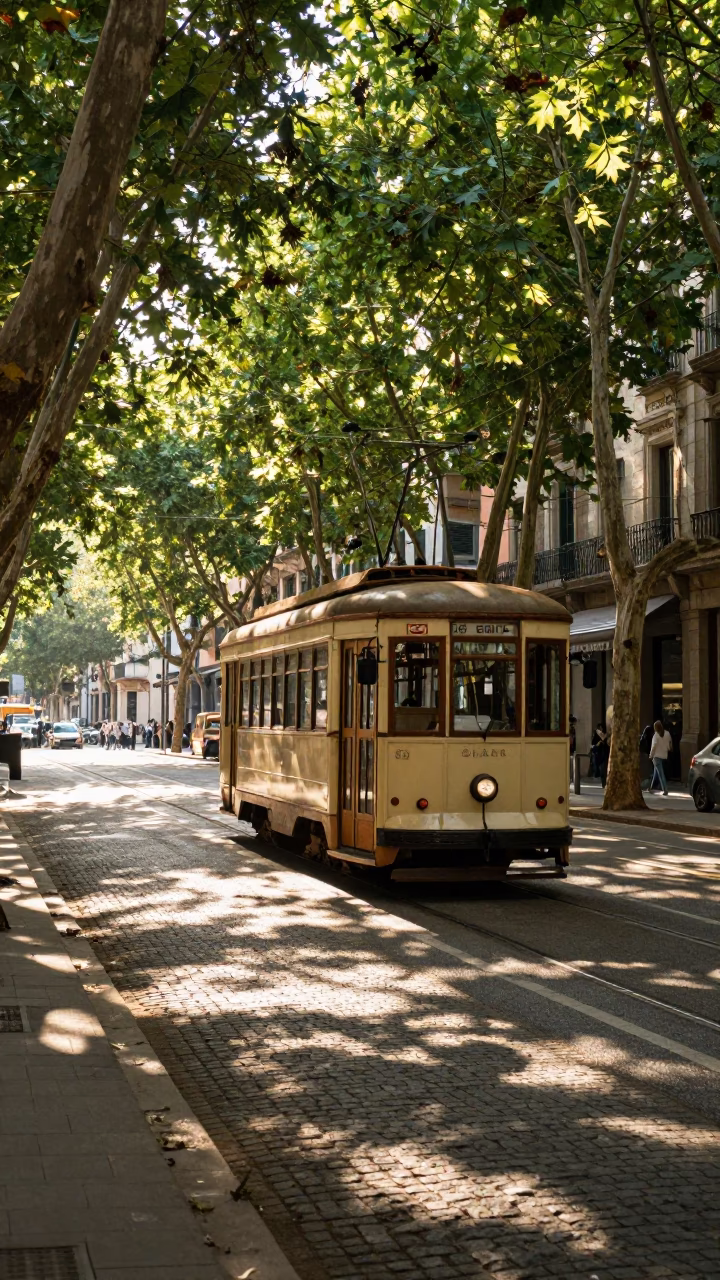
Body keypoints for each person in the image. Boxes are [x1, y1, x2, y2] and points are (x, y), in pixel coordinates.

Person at [649, 719, 670, 795]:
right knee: (656, 772)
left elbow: (653, 746)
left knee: (660, 774)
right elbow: (669, 744)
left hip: (656, 756)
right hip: (664, 755)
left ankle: (665, 789)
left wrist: (651, 755)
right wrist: (667, 749)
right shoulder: (667, 733)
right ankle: (651, 788)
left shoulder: (655, 735)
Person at [591, 722, 610, 787]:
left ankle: (604, 784)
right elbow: (593, 743)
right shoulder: (597, 735)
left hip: (604, 754)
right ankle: (604, 783)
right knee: (602, 770)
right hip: (600, 754)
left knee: (603, 770)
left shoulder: (607, 736)